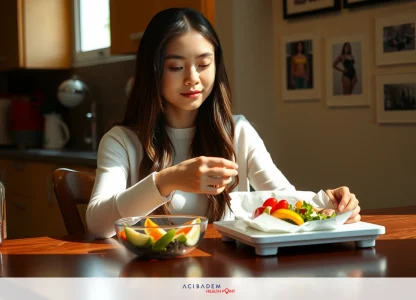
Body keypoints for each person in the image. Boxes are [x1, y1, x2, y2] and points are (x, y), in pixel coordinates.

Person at [86, 8, 361, 238]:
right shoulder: (121, 141)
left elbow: (282, 199)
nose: (192, 78)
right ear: (153, 71)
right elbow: (98, 224)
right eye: (176, 67)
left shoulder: (237, 131)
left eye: (204, 64)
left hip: (226, 277)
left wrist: (329, 204)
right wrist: (168, 180)